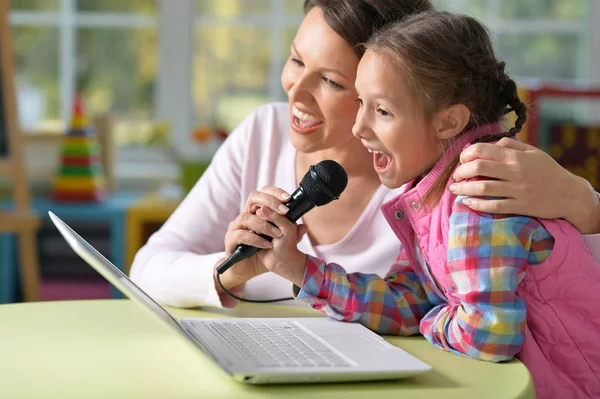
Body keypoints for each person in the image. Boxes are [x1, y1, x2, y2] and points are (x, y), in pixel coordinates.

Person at [129, 0, 600, 310]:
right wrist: (232, 272)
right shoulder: (263, 133)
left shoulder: (452, 181)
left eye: (333, 82)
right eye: (296, 61)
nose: (297, 93)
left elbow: (566, 287)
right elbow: (147, 269)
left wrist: (583, 203)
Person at [244, 11, 600, 398]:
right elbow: (405, 300)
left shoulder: (475, 196)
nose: (359, 127)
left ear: (448, 123)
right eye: (360, 103)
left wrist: (430, 319)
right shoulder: (435, 194)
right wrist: (299, 269)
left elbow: (488, 334)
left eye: (382, 111)